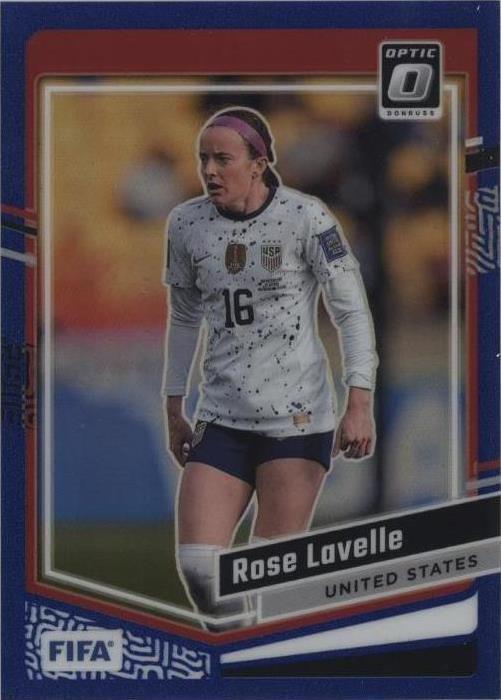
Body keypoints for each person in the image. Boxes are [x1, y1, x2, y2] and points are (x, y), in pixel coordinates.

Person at [162, 106, 377, 630]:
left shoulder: (307, 217)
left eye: (223, 159)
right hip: (221, 418)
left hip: (295, 421)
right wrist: (173, 405)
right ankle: (237, 653)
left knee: (268, 585)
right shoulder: (186, 223)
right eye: (203, 159)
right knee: (202, 573)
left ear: (258, 163)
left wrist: (359, 402)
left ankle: (265, 659)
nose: (209, 170)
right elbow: (184, 316)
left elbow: (350, 311)